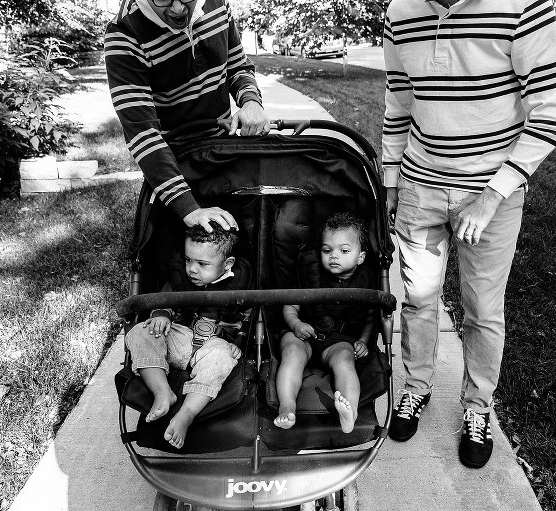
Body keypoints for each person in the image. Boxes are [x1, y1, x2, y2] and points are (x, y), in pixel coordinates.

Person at [382, 0, 556, 468]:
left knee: (483, 309)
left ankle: (477, 408)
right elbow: (399, 98)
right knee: (420, 299)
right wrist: (389, 180)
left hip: (491, 192)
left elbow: (550, 113)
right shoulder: (400, 11)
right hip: (419, 185)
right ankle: (417, 388)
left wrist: (492, 195)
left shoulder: (524, 6)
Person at [104, 0, 271, 233]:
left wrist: (251, 100)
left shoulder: (217, 3)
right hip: (176, 163)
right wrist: (189, 209)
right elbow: (142, 132)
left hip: (224, 150)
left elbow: (237, 66)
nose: (178, 9)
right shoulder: (124, 33)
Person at [124, 224, 250, 449]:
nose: (192, 269)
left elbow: (251, 320)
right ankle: (162, 392)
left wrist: (239, 343)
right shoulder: (180, 278)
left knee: (221, 357)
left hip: (215, 344)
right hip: (179, 337)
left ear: (227, 264)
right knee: (142, 331)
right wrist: (161, 315)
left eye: (202, 264)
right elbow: (162, 301)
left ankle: (186, 414)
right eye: (188, 260)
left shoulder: (242, 283)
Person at [273, 213, 374, 434]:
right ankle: (287, 405)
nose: (333, 256)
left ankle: (350, 413)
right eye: (327, 250)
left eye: (344, 251)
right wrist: (296, 324)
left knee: (345, 360)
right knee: (291, 352)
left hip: (338, 339)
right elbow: (290, 305)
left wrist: (364, 341)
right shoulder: (309, 270)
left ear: (360, 257)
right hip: (304, 332)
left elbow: (370, 317)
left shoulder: (366, 280)